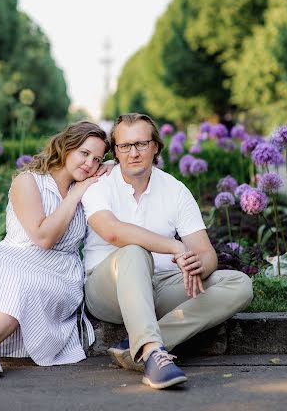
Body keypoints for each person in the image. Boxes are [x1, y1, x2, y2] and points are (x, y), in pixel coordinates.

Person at [81, 113, 253, 390]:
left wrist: (196, 264)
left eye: (141, 143)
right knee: (134, 251)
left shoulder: (175, 190)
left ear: (156, 147)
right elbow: (113, 231)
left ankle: (136, 348)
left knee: (239, 283)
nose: (133, 153)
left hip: (160, 287)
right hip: (107, 290)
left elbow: (207, 254)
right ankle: (153, 353)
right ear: (115, 151)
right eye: (124, 146)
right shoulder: (98, 185)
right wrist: (174, 246)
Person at [0, 121, 109, 384]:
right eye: (84, 153)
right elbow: (43, 237)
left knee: (20, 283)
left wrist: (101, 174)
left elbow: (129, 167)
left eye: (97, 159)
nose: (90, 164)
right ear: (66, 147)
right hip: (14, 260)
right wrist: (75, 196)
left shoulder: (89, 188)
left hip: (59, 274)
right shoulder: (28, 181)